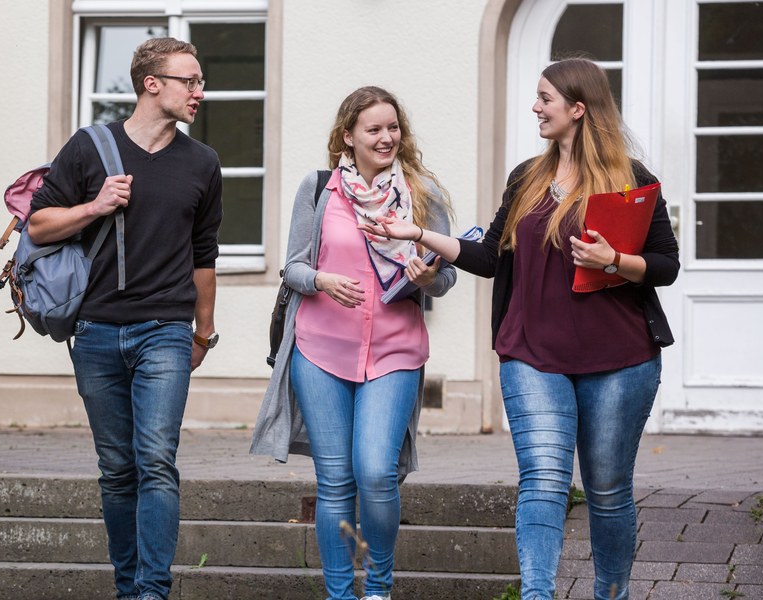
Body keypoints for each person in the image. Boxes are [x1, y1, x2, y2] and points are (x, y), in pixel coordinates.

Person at [362, 59, 679, 600]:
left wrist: (614, 260)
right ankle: (537, 594)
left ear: (578, 108)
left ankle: (611, 592)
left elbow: (665, 265)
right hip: (532, 354)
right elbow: (488, 257)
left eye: (545, 98)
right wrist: (416, 232)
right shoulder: (527, 178)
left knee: (607, 491)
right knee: (543, 481)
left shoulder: (632, 179)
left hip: (621, 360)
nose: (535, 106)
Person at [27, 37, 223, 600]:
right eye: (190, 80)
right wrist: (94, 206)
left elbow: (203, 255)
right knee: (116, 468)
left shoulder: (202, 163)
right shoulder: (90, 148)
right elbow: (38, 227)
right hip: (95, 330)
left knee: (156, 460)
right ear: (151, 84)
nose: (199, 92)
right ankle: (127, 586)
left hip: (165, 329)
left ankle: (152, 591)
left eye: (200, 81)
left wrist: (203, 333)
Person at [251, 86, 456, 600]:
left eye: (393, 128)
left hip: (395, 352)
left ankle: (380, 589)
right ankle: (342, 595)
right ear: (349, 136)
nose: (387, 137)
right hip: (320, 351)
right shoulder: (320, 189)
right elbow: (293, 266)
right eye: (374, 129)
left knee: (376, 473)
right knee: (335, 482)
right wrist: (321, 280)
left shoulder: (423, 192)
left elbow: (447, 275)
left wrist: (427, 278)